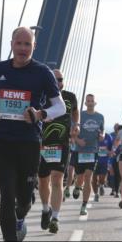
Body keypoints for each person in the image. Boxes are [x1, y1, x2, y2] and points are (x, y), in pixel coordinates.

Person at [0, 27, 65, 242]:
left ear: (34, 47)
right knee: (6, 198)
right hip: (2, 141)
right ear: (11, 44)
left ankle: (24, 211)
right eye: (18, 43)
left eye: (27, 45)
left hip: (28, 143)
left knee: (23, 199)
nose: (22, 48)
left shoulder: (42, 73)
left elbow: (60, 107)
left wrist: (40, 114)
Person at [36, 70, 78, 233]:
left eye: (61, 79)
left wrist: (77, 125)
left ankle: (55, 217)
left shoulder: (70, 96)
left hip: (62, 144)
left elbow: (75, 112)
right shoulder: (41, 95)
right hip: (42, 144)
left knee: (57, 179)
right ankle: (46, 209)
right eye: (55, 80)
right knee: (43, 181)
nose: (58, 82)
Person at [73, 93, 105, 212]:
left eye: (92, 101)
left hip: (93, 150)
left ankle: (84, 205)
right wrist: (77, 140)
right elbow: (72, 132)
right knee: (80, 176)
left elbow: (102, 131)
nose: (90, 102)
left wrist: (102, 136)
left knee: (88, 177)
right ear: (85, 103)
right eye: (88, 101)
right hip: (80, 150)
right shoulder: (79, 115)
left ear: (95, 103)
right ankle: (77, 186)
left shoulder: (100, 116)